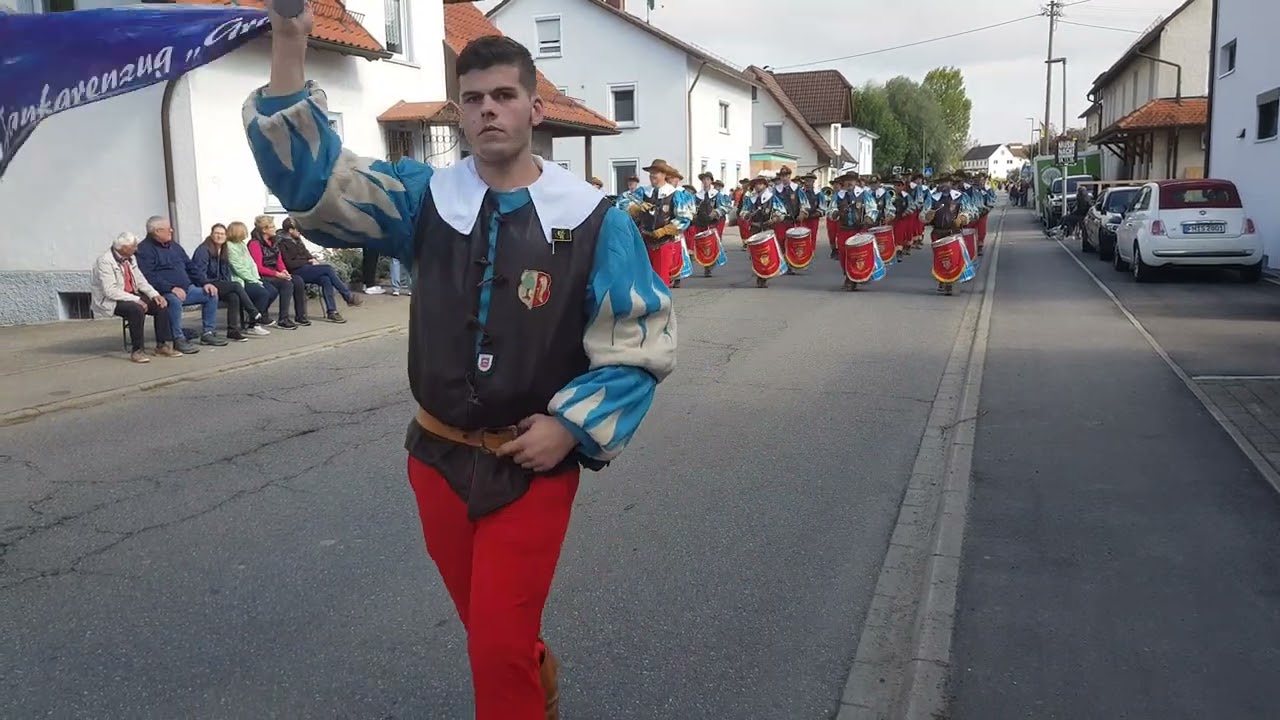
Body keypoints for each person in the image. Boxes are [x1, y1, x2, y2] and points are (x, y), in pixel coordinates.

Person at [244, 6, 675, 717]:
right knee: (492, 634)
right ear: (459, 112)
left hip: (531, 466)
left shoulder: (596, 218)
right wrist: (290, 42)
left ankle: (518, 673)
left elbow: (640, 341)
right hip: (437, 459)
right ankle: (532, 672)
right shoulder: (424, 200)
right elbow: (313, 185)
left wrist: (570, 427)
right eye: (473, 99)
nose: (488, 111)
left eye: (503, 95)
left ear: (535, 107)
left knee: (493, 648)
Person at [134, 215, 225, 352]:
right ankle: (178, 338)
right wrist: (171, 288)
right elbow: (148, 276)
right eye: (167, 229)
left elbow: (190, 266)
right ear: (157, 231)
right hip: (164, 293)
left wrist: (204, 282)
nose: (171, 230)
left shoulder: (174, 246)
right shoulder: (144, 250)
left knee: (211, 294)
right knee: (174, 301)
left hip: (187, 289)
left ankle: (208, 333)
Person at [91, 232, 184, 362]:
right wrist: (137, 300)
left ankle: (162, 345)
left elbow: (140, 280)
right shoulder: (105, 261)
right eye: (133, 246)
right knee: (136, 309)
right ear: (123, 248)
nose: (136, 249)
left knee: (161, 303)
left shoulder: (131, 258)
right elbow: (110, 291)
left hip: (131, 295)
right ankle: (137, 350)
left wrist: (155, 295)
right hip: (111, 300)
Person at [277, 217, 362, 322]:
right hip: (296, 271)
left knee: (325, 279)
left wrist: (313, 259)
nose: (300, 232)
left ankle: (332, 311)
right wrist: (307, 261)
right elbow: (289, 264)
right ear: (290, 230)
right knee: (328, 269)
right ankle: (347, 296)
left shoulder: (297, 240)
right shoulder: (282, 243)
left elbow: (307, 254)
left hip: (307, 268)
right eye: (298, 230)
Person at [192, 224, 261, 342]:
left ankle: (233, 331)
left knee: (233, 296)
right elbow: (198, 272)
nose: (219, 236)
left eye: (222, 234)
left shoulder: (224, 249)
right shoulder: (203, 250)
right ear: (211, 234)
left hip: (219, 283)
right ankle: (252, 311)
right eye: (217, 233)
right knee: (236, 285)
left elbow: (226, 272)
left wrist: (225, 283)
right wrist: (206, 283)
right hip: (205, 283)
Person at [249, 214, 308, 328]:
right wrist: (277, 274)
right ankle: (283, 319)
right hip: (262, 275)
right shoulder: (255, 244)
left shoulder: (274, 241)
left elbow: (279, 260)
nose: (274, 229)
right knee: (286, 284)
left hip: (275, 273)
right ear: (264, 230)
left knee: (297, 280)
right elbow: (258, 267)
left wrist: (284, 271)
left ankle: (300, 315)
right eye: (271, 227)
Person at [224, 221, 278, 334]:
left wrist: (256, 278)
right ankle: (253, 325)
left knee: (272, 291)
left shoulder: (241, 244)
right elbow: (237, 267)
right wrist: (252, 280)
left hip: (252, 277)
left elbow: (251, 263)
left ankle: (257, 314)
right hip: (240, 280)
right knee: (262, 293)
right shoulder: (229, 246)